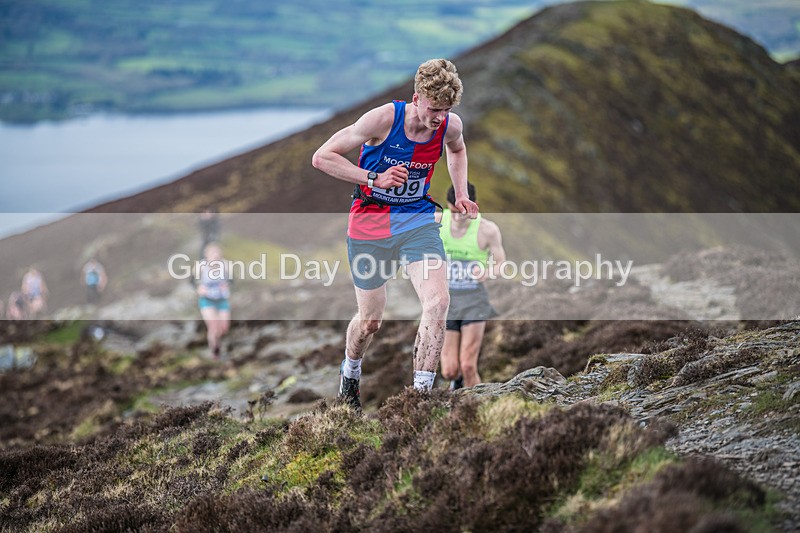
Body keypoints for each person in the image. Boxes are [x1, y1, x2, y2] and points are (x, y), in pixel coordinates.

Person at [312, 58, 478, 409]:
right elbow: (322, 157)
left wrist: (461, 194)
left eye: (446, 110)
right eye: (434, 109)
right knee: (370, 322)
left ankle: (419, 400)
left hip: (416, 220)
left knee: (438, 302)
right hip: (370, 224)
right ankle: (350, 372)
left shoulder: (449, 125)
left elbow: (457, 149)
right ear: (417, 98)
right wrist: (374, 178)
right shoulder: (383, 119)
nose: (439, 118)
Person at [436, 183, 506, 389]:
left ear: (474, 205)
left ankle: (477, 403)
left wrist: (487, 272)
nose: (457, 218)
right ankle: (457, 388)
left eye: (462, 212)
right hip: (446, 301)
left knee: (467, 366)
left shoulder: (487, 230)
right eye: (453, 211)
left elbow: (501, 263)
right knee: (449, 371)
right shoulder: (437, 221)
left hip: (474, 300)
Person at [196, 243, 231, 359]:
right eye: (212, 253)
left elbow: (231, 280)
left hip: (221, 299)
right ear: (207, 255)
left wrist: (227, 285)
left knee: (224, 328)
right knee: (213, 327)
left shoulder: (225, 265)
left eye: (217, 253)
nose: (215, 255)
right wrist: (199, 288)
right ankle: (215, 352)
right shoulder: (201, 266)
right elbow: (193, 281)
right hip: (207, 300)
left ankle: (218, 345)